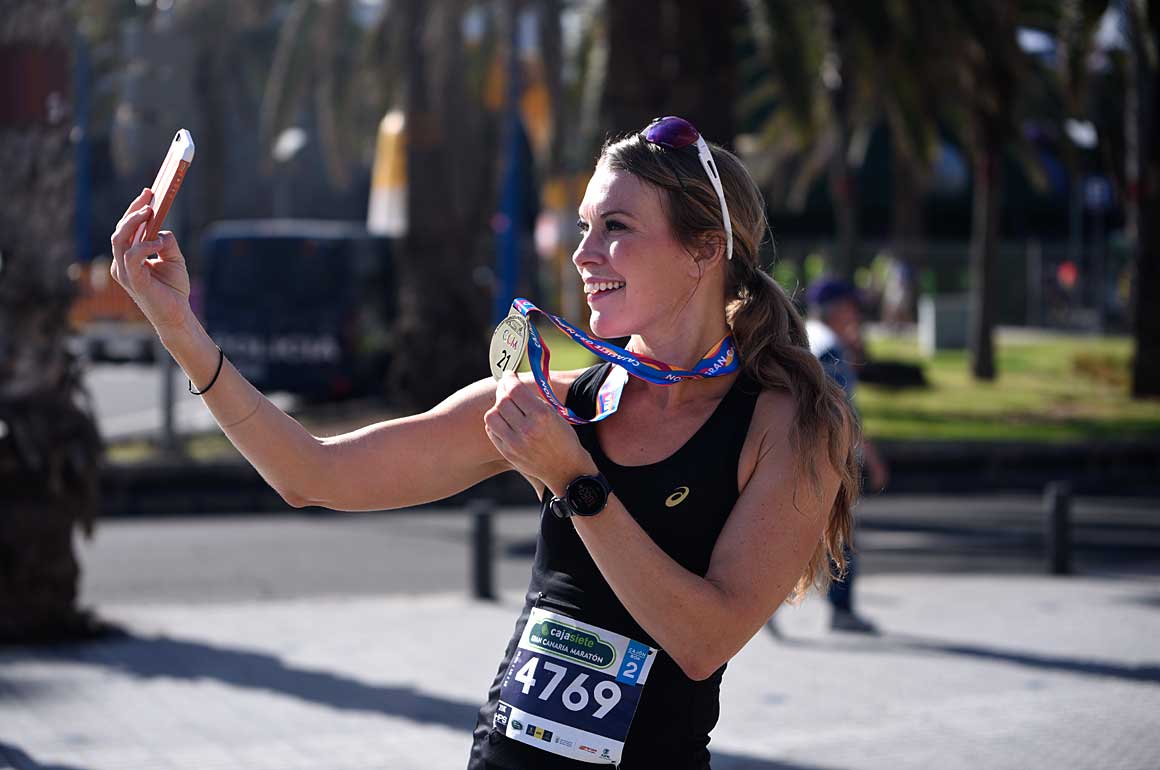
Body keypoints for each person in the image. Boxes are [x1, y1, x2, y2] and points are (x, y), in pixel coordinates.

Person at [110, 116, 861, 769]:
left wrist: (575, 483)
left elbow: (705, 640)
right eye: (584, 228)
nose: (582, 254)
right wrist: (179, 328)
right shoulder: (560, 402)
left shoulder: (789, 426)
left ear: (704, 249)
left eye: (617, 228)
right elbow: (314, 473)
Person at [804, 278, 889, 634]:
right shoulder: (830, 348)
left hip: (802, 452)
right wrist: (870, 457)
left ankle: (769, 604)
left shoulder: (806, 336)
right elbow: (842, 411)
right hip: (829, 457)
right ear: (837, 308)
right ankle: (842, 609)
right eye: (851, 306)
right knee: (840, 533)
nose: (856, 314)